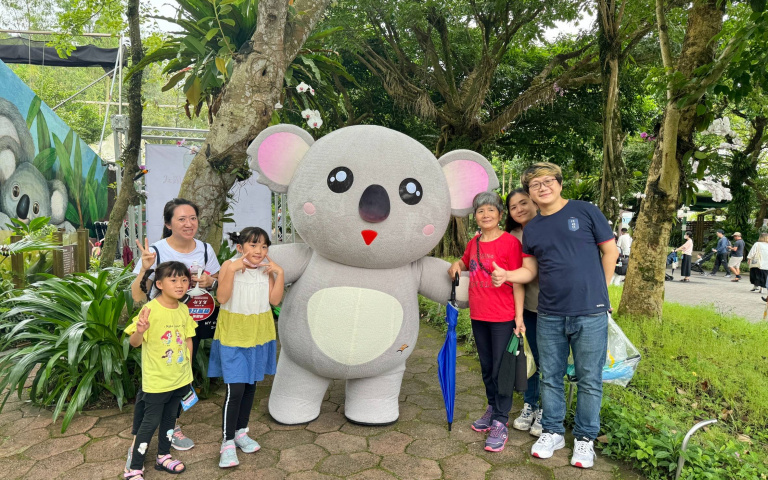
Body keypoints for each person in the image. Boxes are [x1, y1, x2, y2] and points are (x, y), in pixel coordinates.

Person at [490, 162, 619, 469]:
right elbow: (531, 269)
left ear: (559, 184)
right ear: (531, 193)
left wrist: (601, 292)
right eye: (536, 184)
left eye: (548, 181)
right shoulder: (533, 228)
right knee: (550, 377)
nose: (543, 187)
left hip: (590, 313)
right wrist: (507, 274)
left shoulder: (585, 211)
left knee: (589, 379)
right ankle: (552, 432)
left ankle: (586, 439)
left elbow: (610, 251)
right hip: (549, 314)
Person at [131, 198, 221, 450]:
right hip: (159, 323)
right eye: (181, 219)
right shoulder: (157, 251)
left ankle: (173, 424)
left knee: (182, 369)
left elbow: (217, 279)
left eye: (192, 218)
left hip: (191, 319)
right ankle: (143, 429)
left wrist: (209, 282)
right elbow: (137, 295)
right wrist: (144, 270)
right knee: (157, 374)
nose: (189, 223)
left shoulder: (204, 249)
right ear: (169, 224)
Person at [448, 192, 524, 453]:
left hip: (503, 316)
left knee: (501, 370)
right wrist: (456, 264)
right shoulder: (474, 242)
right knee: (486, 366)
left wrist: (519, 317)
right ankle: (492, 408)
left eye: (491, 210)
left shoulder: (510, 243)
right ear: (475, 216)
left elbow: (519, 279)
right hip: (479, 315)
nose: (486, 215)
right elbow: (464, 260)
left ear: (500, 215)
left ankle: (501, 421)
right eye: (481, 211)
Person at [209, 227, 284, 468]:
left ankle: (241, 432)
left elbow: (274, 300)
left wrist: (279, 273)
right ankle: (227, 442)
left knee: (251, 385)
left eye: (263, 246)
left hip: (259, 334)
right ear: (240, 247)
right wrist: (230, 270)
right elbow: (221, 298)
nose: (259, 251)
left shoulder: (267, 269)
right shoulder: (229, 265)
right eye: (253, 245)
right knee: (236, 389)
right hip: (234, 334)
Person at [123, 261, 196, 480]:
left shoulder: (183, 309)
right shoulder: (150, 309)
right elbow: (135, 343)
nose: (180, 284)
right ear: (160, 284)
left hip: (179, 378)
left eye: (184, 280)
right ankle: (134, 467)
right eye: (173, 280)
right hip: (157, 381)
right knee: (149, 423)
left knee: (169, 420)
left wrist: (188, 368)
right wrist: (140, 330)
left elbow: (188, 340)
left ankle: (163, 456)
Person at [505, 189, 544, 437]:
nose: (519, 209)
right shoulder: (511, 236)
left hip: (555, 308)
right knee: (529, 360)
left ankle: (546, 411)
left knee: (548, 362)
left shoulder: (550, 227)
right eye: (513, 207)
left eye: (524, 203)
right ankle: (530, 405)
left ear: (535, 202)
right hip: (525, 307)